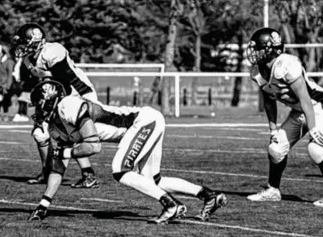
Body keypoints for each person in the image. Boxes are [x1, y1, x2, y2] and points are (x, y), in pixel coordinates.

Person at [26, 80, 227, 224]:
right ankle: (209, 196)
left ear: (49, 100)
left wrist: (65, 153)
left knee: (120, 170)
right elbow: (57, 170)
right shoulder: (54, 127)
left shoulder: (67, 105)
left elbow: (94, 146)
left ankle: (171, 205)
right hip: (143, 124)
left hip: (142, 121)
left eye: (39, 105)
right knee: (152, 180)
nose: (37, 111)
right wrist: (44, 204)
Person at [246, 27, 323, 207]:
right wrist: (273, 129)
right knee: (275, 148)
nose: (254, 52)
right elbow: (269, 101)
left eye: (258, 48)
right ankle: (273, 190)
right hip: (299, 111)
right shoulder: (257, 71)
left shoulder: (286, 65)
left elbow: (305, 101)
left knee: (316, 149)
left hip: (319, 107)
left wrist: (313, 130)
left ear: (270, 49)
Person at [12, 22, 99, 188]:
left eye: (24, 42)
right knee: (40, 133)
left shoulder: (52, 51)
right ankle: (47, 172)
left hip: (77, 93)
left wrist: (49, 104)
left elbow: (64, 80)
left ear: (35, 41)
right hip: (54, 94)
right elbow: (40, 83)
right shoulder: (27, 59)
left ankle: (88, 175)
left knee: (68, 135)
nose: (20, 46)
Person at [0, 44, 15, 120]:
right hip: (1, 84)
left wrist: (8, 86)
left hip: (5, 85)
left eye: (1, 52)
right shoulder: (2, 61)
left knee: (5, 101)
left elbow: (10, 75)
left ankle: (5, 115)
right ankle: (0, 115)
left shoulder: (9, 62)